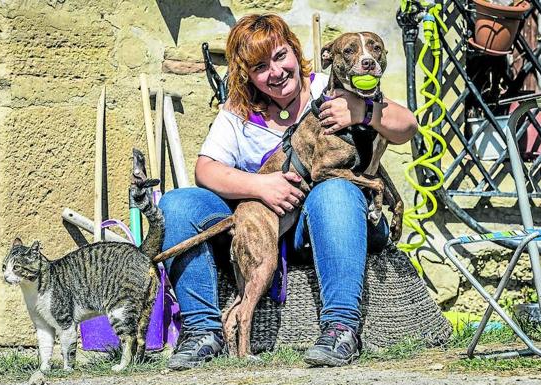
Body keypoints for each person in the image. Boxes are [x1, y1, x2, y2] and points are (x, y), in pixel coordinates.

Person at [158, 13, 417, 370]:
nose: (276, 72)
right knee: (176, 204)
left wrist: (364, 111)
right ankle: (203, 331)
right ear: (246, 74)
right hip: (262, 222)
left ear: (295, 52)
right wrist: (261, 185)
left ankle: (341, 328)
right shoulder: (238, 112)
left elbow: (406, 127)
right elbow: (205, 170)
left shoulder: (334, 84)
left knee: (334, 192)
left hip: (328, 223)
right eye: (260, 67)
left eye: (280, 57)